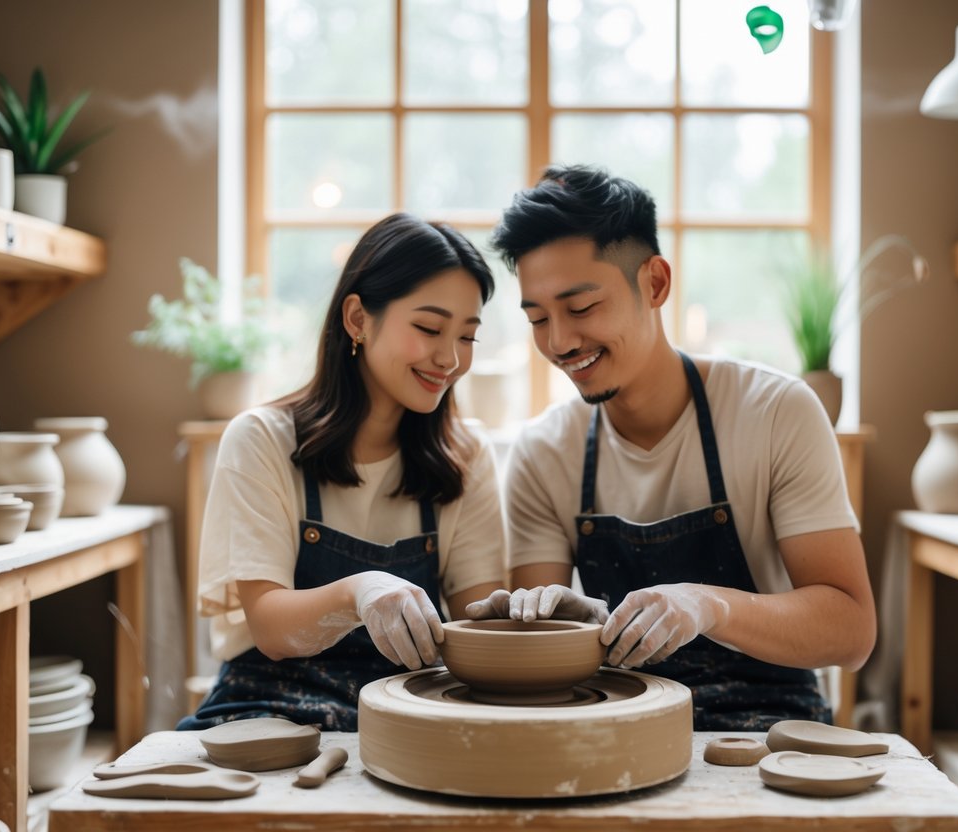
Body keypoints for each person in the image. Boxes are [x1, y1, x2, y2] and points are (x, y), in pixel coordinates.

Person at [467, 165, 876, 730]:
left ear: (655, 283)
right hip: (620, 720)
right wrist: (566, 624)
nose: (559, 342)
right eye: (538, 319)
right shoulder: (543, 452)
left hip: (770, 721)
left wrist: (707, 605)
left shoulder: (776, 411)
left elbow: (851, 631)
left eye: (581, 308)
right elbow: (547, 654)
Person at [179, 212, 506, 731]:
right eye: (428, 328)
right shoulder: (261, 439)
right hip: (267, 699)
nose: (449, 358)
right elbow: (269, 625)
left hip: (407, 704)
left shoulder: (466, 455)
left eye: (467, 337)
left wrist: (536, 615)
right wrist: (361, 592)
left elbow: (475, 622)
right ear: (358, 319)